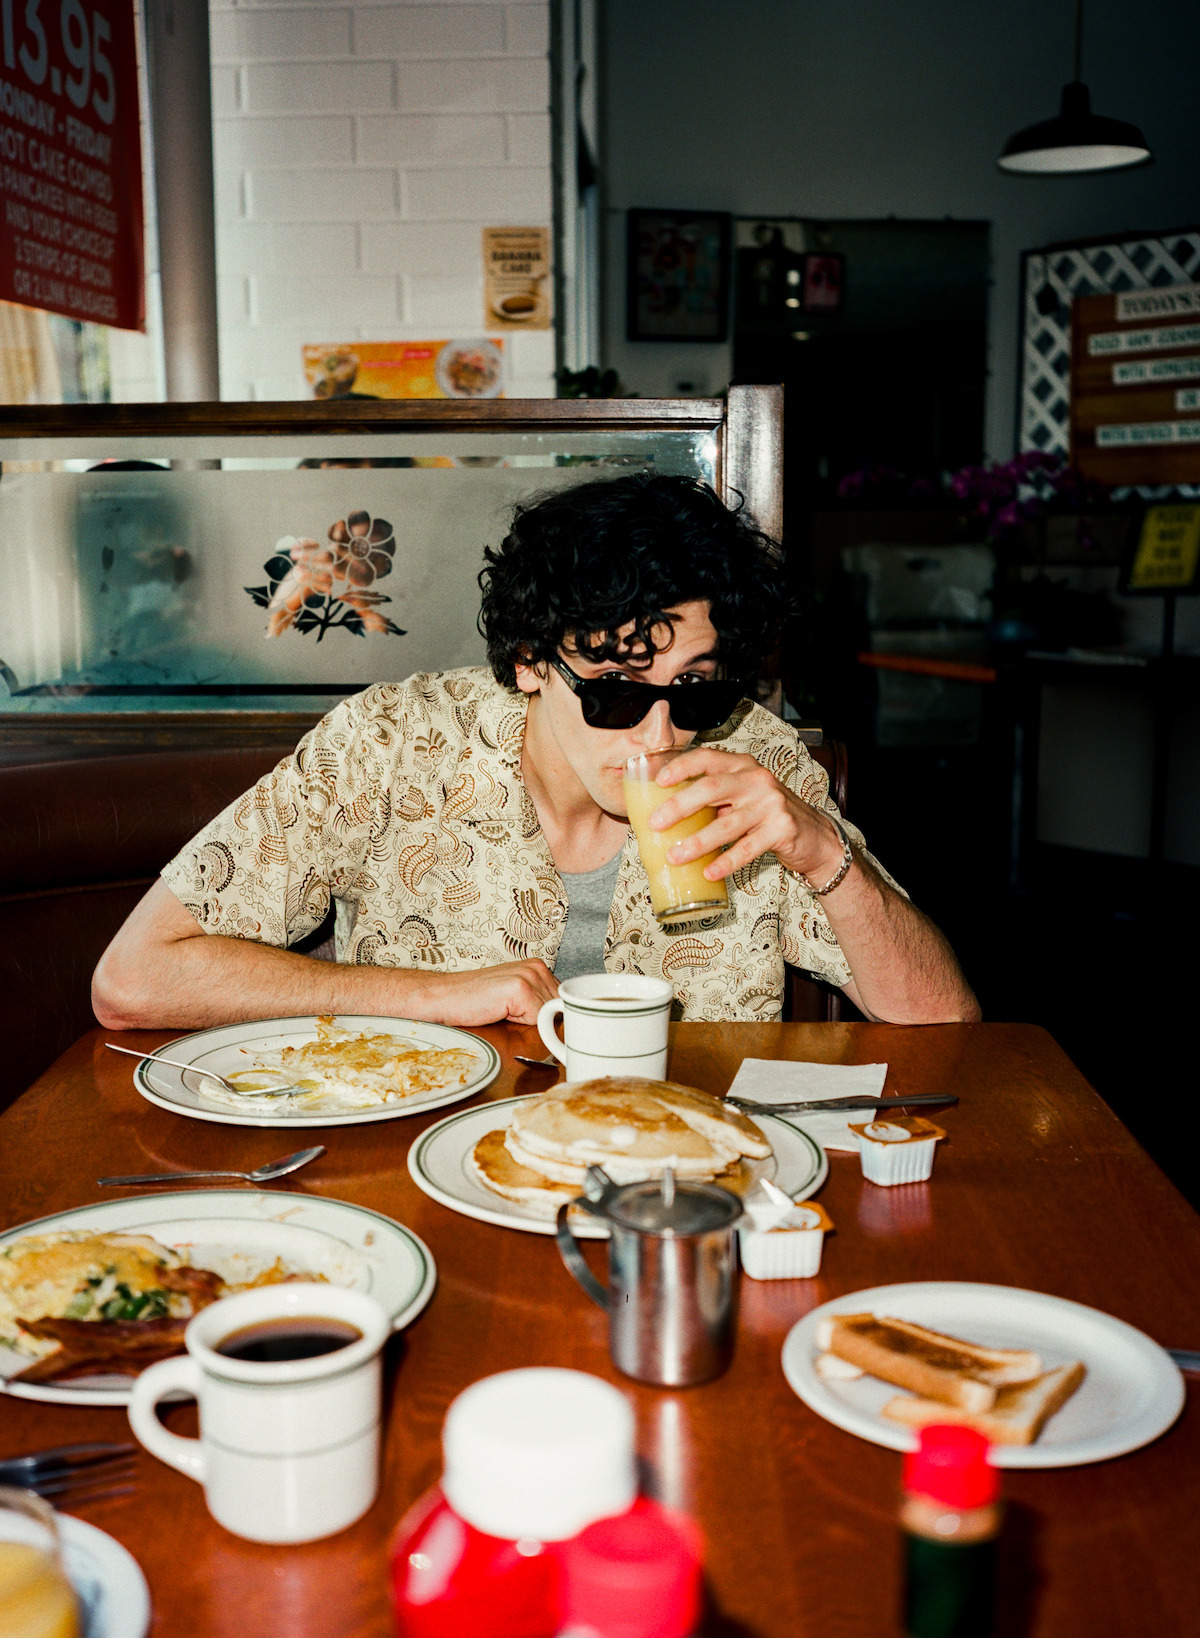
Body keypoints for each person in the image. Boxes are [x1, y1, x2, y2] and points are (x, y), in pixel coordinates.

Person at [92, 474, 979, 1029]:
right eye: (617, 689)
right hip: (419, 1164)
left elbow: (947, 1022)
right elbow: (134, 979)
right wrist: (443, 996)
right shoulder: (391, 746)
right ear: (529, 661)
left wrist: (826, 855)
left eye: (696, 687)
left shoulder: (752, 758)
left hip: (683, 1175)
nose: (661, 734)